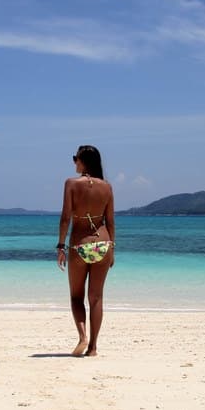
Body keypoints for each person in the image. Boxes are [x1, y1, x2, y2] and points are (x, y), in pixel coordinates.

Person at [56, 145, 115, 357]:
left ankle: (82, 336)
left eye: (75, 159)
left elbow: (65, 218)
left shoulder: (71, 184)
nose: (74, 163)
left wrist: (60, 246)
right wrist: (112, 250)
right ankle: (93, 348)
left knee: (76, 297)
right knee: (96, 298)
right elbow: (110, 221)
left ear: (83, 161)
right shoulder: (107, 187)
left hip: (80, 245)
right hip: (103, 245)